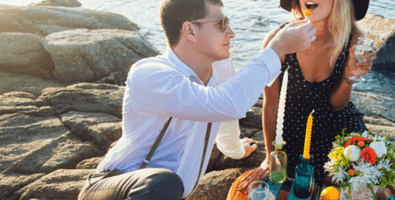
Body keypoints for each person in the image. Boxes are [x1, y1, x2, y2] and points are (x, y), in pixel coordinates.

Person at [76, 0, 317, 199]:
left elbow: (225, 117)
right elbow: (225, 104)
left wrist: (235, 150)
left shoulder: (220, 74)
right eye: (222, 25)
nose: (231, 33)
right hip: (115, 187)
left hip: (166, 192)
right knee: (162, 183)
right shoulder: (150, 74)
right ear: (189, 30)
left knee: (166, 185)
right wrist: (276, 49)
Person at [228, 0, 395, 199]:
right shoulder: (280, 40)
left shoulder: (352, 40)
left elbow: (337, 105)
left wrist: (348, 75)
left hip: (339, 129)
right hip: (296, 135)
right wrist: (269, 158)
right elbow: (271, 106)